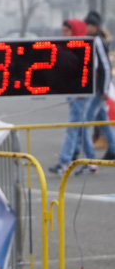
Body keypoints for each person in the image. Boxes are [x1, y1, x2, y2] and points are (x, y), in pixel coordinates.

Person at [50, 19, 93, 174]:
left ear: (74, 31)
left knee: (73, 128)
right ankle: (92, 161)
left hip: (80, 94)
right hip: (72, 92)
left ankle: (65, 161)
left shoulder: (82, 48)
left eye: (66, 31)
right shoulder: (66, 48)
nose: (63, 34)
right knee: (81, 128)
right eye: (62, 31)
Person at [81, 10, 115, 162]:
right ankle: (113, 148)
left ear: (94, 27)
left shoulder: (98, 41)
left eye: (87, 25)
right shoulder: (93, 39)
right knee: (104, 120)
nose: (85, 28)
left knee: (85, 122)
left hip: (100, 89)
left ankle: (87, 158)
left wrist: (105, 89)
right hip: (97, 88)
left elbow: (105, 67)